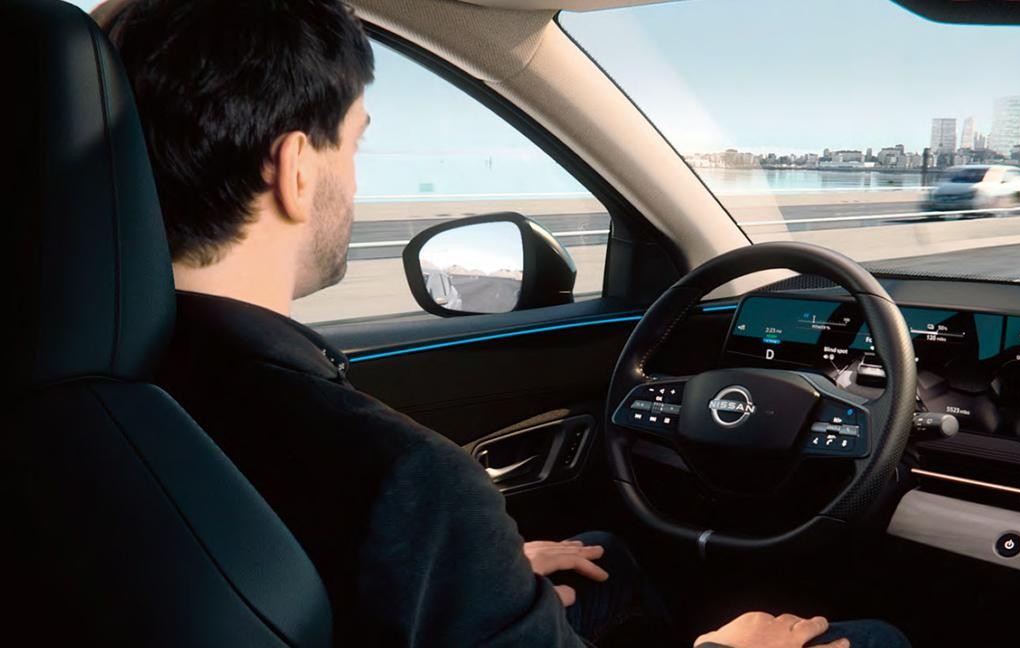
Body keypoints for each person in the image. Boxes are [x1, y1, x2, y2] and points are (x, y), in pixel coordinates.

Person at [94, 1, 907, 646]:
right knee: (869, 638)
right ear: (296, 170)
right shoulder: (402, 479)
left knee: (602, 556)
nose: (353, 177)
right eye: (354, 146)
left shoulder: (94, 384)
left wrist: (478, 575)